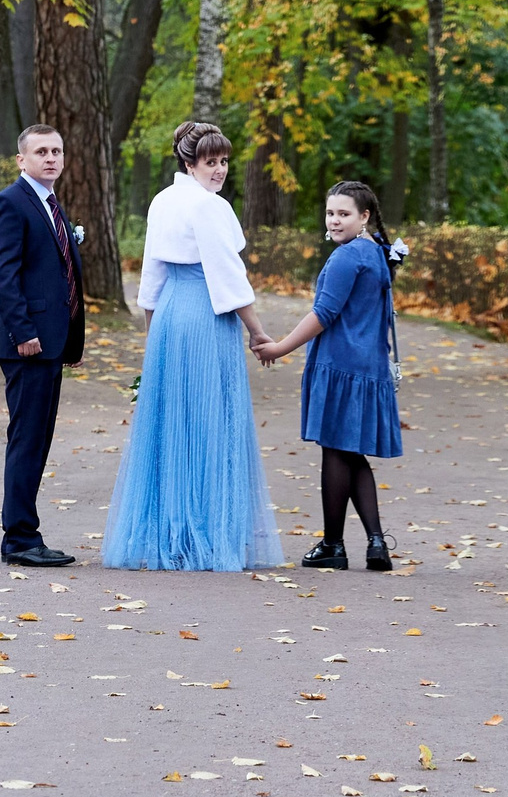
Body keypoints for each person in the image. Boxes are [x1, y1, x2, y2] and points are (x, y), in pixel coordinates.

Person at [101, 122, 286, 571]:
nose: (220, 170)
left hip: (169, 316)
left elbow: (152, 273)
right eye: (211, 162)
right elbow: (227, 275)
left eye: (224, 162)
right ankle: (205, 533)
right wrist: (258, 332)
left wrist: (153, 330)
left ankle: (173, 532)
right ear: (190, 162)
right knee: (207, 419)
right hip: (206, 317)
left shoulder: (163, 201)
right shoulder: (209, 207)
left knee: (172, 421)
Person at [254, 180, 403, 571]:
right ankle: (375, 544)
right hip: (369, 368)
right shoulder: (376, 253)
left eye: (344, 214)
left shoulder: (346, 257)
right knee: (352, 454)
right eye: (330, 213)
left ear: (364, 216)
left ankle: (334, 545)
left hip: (341, 368)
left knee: (336, 452)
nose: (335, 221)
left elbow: (323, 314)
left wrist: (279, 348)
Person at [0, 124, 84, 568]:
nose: (51, 158)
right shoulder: (9, 203)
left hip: (52, 344)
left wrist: (72, 339)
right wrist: (23, 333)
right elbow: (2, 275)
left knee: (38, 438)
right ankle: (19, 539)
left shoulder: (51, 205)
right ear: (21, 159)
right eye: (41, 151)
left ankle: (25, 532)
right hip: (27, 344)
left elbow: (63, 276)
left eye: (57, 151)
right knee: (27, 438)